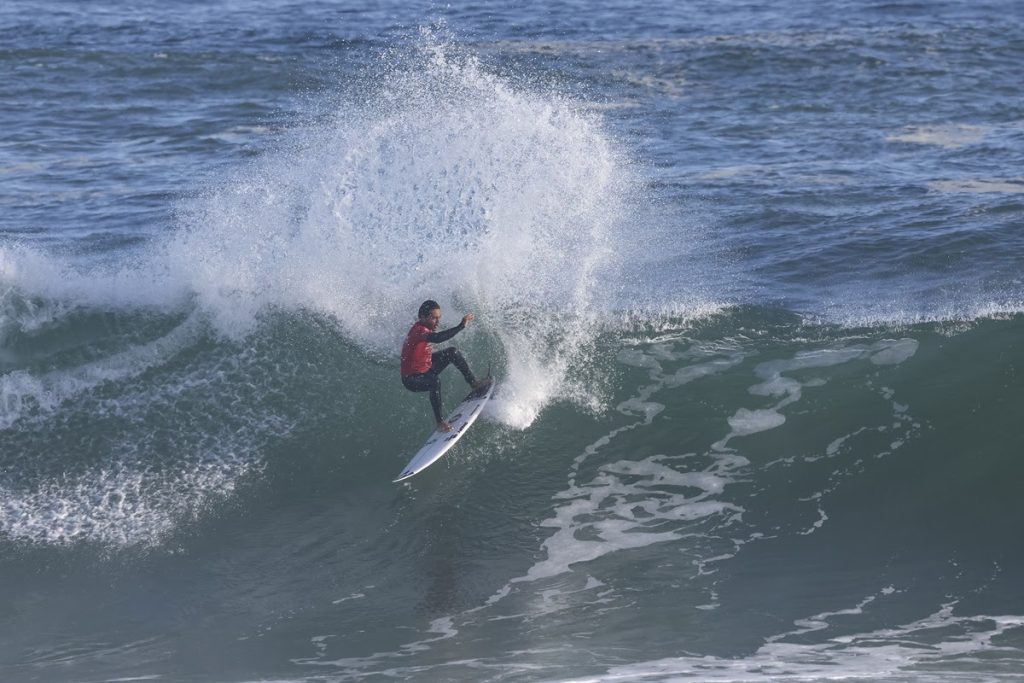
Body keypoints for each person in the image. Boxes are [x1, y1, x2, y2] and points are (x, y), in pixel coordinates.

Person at [400, 300, 489, 432]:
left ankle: (473, 383)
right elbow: (437, 338)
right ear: (422, 317)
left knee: (452, 352)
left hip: (426, 367)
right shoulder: (418, 331)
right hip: (412, 379)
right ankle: (440, 423)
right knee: (434, 381)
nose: (437, 322)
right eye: (434, 318)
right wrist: (460, 326)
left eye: (439, 318)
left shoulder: (424, 327)